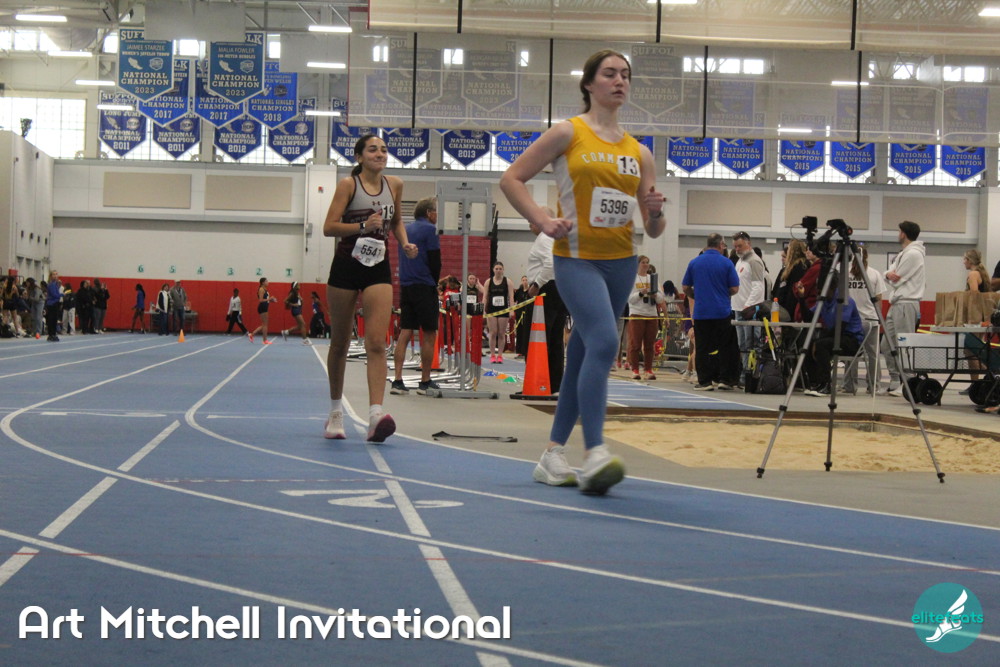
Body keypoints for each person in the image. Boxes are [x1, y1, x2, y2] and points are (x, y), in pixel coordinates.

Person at [500, 48, 665, 495]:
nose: (620, 80)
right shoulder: (568, 132)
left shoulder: (640, 152)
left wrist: (655, 212)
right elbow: (511, 178)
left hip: (622, 262)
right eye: (610, 73)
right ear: (589, 84)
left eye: (625, 75)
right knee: (606, 342)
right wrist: (541, 219)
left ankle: (553, 453)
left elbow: (653, 228)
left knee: (581, 354)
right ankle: (595, 453)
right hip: (576, 258)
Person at [322, 132, 418, 443]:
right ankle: (335, 413)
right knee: (340, 343)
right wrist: (363, 226)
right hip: (346, 265)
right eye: (373, 150)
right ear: (360, 157)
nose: (380, 154)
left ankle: (376, 415)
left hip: (378, 266)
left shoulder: (395, 185)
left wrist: (404, 243)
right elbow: (328, 227)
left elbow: (397, 221)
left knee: (376, 342)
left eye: (384, 150)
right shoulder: (348, 185)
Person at [391, 196, 441, 395]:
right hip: (424, 285)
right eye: (436, 211)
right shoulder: (430, 230)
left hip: (406, 285)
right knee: (429, 333)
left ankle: (397, 380)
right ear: (429, 213)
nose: (437, 215)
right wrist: (435, 283)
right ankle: (425, 381)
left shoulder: (406, 230)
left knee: (405, 331)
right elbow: (435, 260)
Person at [682, 234, 741, 391]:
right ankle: (725, 380)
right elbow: (735, 288)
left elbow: (685, 287)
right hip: (721, 312)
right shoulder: (727, 263)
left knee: (702, 347)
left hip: (702, 312)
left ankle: (705, 381)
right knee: (725, 346)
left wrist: (696, 295)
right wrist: (723, 294)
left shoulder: (695, 262)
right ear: (721, 245)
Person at [881, 220, 925, 396]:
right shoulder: (903, 253)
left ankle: (908, 382)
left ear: (903, 233)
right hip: (896, 303)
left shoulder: (913, 254)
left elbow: (896, 279)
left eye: (899, 231)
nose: (897, 234)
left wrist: (889, 275)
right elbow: (887, 273)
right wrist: (888, 274)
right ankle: (894, 380)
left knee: (904, 345)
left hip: (907, 302)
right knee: (886, 344)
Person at [525, 213, 569, 394]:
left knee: (540, 338)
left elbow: (550, 263)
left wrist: (537, 284)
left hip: (547, 290)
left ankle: (539, 382)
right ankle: (553, 384)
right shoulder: (557, 238)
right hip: (559, 289)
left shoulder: (544, 238)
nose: (529, 225)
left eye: (531, 221)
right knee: (555, 338)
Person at [801, 276, 865, 397]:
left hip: (852, 340)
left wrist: (818, 342)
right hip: (836, 337)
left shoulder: (845, 301)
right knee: (807, 344)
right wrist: (801, 298)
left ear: (832, 288)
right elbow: (808, 318)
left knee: (821, 345)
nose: (818, 292)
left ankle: (826, 384)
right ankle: (816, 382)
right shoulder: (823, 301)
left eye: (821, 290)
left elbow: (840, 328)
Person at [843, 245, 885, 395]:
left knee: (851, 352)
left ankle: (850, 386)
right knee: (873, 354)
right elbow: (878, 298)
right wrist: (878, 318)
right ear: (866, 256)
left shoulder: (846, 273)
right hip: (871, 319)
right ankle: (874, 386)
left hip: (852, 320)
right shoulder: (874, 274)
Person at [731, 231, 766, 384]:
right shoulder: (740, 261)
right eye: (735, 247)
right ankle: (745, 374)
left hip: (749, 310)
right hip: (738, 309)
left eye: (739, 246)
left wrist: (748, 305)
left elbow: (758, 287)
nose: (737, 249)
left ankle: (752, 375)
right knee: (742, 344)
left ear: (748, 243)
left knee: (751, 343)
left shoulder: (754, 261)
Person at [626, 255, 665, 380]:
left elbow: (661, 298)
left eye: (647, 262)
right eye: (643, 262)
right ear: (637, 264)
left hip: (651, 314)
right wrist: (640, 293)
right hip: (637, 313)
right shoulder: (632, 279)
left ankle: (648, 369)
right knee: (635, 344)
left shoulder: (653, 279)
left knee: (649, 344)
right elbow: (630, 299)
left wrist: (655, 296)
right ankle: (635, 369)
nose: (646, 265)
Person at [484, 261, 514, 363]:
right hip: (491, 310)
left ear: (503, 270)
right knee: (493, 333)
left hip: (503, 310)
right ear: (493, 270)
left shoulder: (508, 281)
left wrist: (511, 310)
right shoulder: (488, 282)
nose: (498, 271)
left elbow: (511, 297)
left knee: (501, 333)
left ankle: (500, 355)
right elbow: (485, 297)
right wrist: (483, 310)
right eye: (496, 269)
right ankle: (492, 355)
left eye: (500, 269)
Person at [773, 239, 809, 321]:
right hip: (785, 309)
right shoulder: (792, 268)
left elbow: (792, 293)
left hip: (789, 311)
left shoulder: (798, 268)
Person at [247, 277, 277, 345]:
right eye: (266, 281)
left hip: (265, 307)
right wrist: (269, 299)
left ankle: (252, 334)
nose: (268, 282)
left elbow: (265, 299)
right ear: (263, 282)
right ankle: (264, 340)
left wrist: (271, 300)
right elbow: (260, 300)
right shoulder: (261, 289)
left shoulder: (265, 289)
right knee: (265, 324)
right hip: (262, 307)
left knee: (264, 324)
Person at [513, 275, 531, 359]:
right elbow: (514, 300)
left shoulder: (530, 291)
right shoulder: (519, 291)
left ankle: (525, 351)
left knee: (526, 332)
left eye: (526, 280)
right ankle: (519, 351)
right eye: (523, 280)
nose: (525, 282)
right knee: (519, 332)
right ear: (521, 281)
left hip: (527, 314)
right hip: (519, 314)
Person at [44, 270, 62, 342]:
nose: (55, 276)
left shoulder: (55, 284)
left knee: (54, 320)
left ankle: (53, 334)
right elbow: (54, 295)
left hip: (54, 303)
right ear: (51, 276)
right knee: (52, 320)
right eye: (54, 274)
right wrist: (62, 295)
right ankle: (51, 334)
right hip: (52, 304)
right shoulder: (51, 284)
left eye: (56, 274)